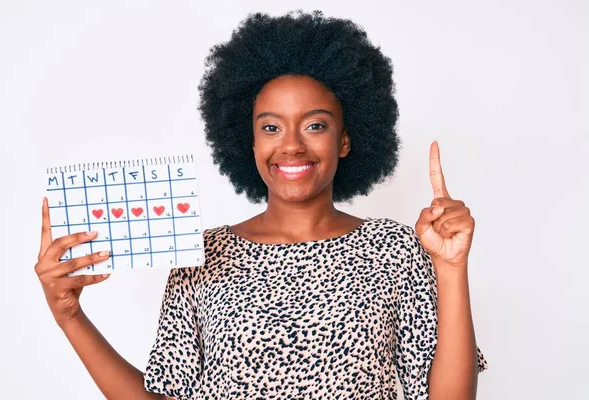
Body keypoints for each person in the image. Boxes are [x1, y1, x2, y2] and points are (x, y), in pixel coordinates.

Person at [35, 10, 487, 400]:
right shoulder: (203, 257)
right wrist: (71, 317)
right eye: (271, 127)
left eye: (314, 125)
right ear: (247, 141)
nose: (291, 146)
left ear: (345, 139)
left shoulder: (396, 249)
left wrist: (450, 269)